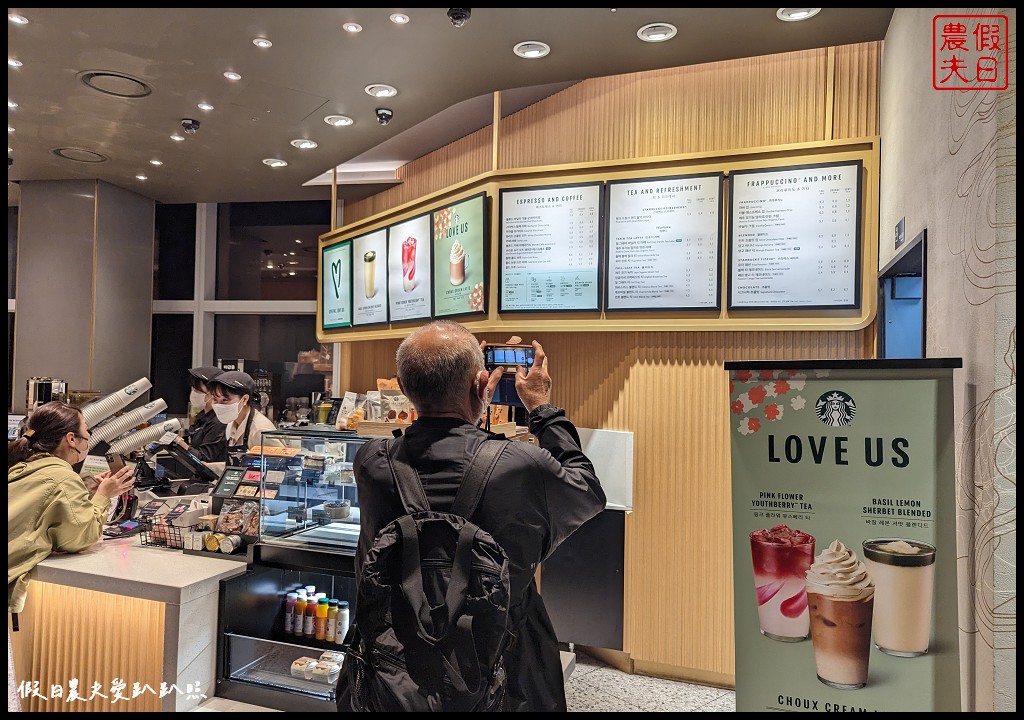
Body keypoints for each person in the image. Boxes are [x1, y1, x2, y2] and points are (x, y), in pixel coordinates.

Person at [348, 320, 606, 712]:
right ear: (481, 384)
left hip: (397, 668)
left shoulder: (371, 461)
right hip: (504, 665)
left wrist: (472, 395)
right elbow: (587, 491)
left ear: (402, 387)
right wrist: (542, 409)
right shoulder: (521, 466)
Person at [8, 401, 136, 710]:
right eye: (86, 432)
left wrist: (86, 487)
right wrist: (103, 496)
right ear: (70, 439)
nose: (89, 438)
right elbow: (80, 536)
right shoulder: (61, 478)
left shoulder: (20, 466)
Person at [205, 370, 278, 473]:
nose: (219, 405)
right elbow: (237, 464)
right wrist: (208, 467)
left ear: (244, 399)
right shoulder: (232, 424)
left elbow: (278, 466)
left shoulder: (260, 430)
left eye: (225, 400)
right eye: (215, 400)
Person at [176, 365, 227, 463]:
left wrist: (178, 441)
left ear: (213, 393)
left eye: (198, 390)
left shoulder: (219, 422)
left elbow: (204, 459)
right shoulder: (201, 417)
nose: (194, 393)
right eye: (193, 389)